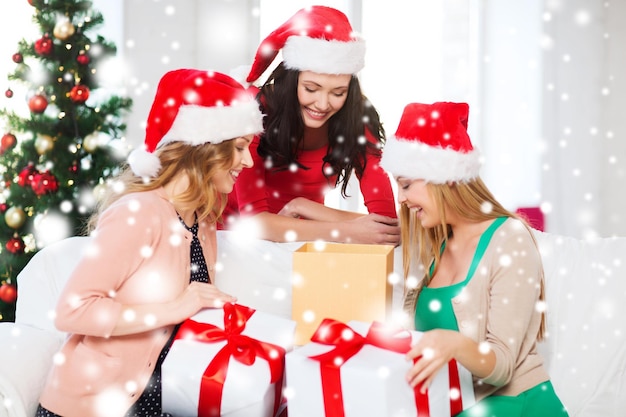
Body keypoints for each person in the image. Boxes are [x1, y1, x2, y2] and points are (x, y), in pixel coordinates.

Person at [35, 69, 264, 417]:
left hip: (160, 399)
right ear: (203, 148)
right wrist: (177, 308)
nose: (247, 161)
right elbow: (72, 311)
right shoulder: (139, 214)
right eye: (238, 148)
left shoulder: (201, 219)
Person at [380, 102, 569, 416]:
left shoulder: (510, 240)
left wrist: (453, 343)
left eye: (406, 185)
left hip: (516, 404)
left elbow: (502, 366)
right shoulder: (434, 247)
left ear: (445, 177)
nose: (401, 198)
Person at [224, 5, 400, 245]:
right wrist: (347, 231)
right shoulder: (254, 110)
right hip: (235, 243)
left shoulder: (356, 117)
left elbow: (386, 226)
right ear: (291, 80)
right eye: (311, 88)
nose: (322, 104)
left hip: (306, 244)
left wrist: (303, 207)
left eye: (338, 92)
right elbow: (255, 222)